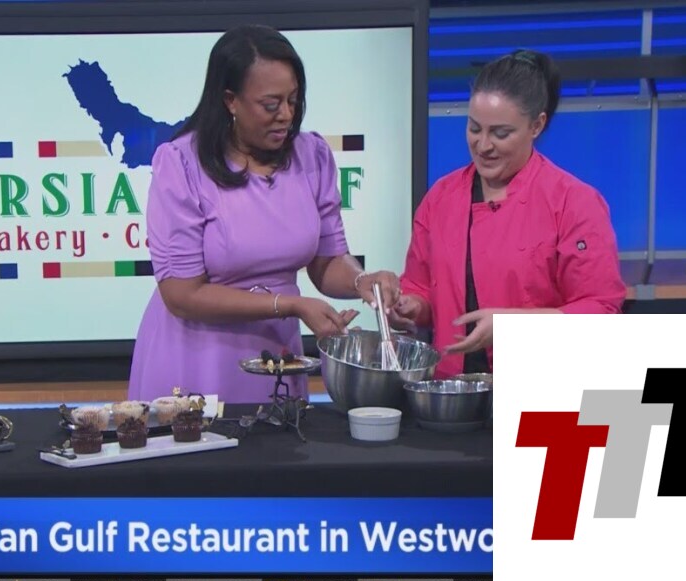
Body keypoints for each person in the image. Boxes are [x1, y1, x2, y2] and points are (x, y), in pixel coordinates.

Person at [128, 24, 400, 403]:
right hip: (196, 359)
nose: (286, 115)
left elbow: (328, 261)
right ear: (230, 100)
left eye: (293, 100)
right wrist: (288, 304)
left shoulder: (312, 156)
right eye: (271, 105)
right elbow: (181, 295)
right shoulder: (181, 164)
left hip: (275, 354)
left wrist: (361, 281)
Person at [389, 49, 625, 378]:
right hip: (452, 390)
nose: (483, 145)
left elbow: (600, 310)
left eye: (501, 134)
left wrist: (512, 327)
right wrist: (411, 306)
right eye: (474, 128)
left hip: (542, 389)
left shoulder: (574, 203)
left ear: (537, 125)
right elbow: (420, 286)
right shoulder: (441, 198)